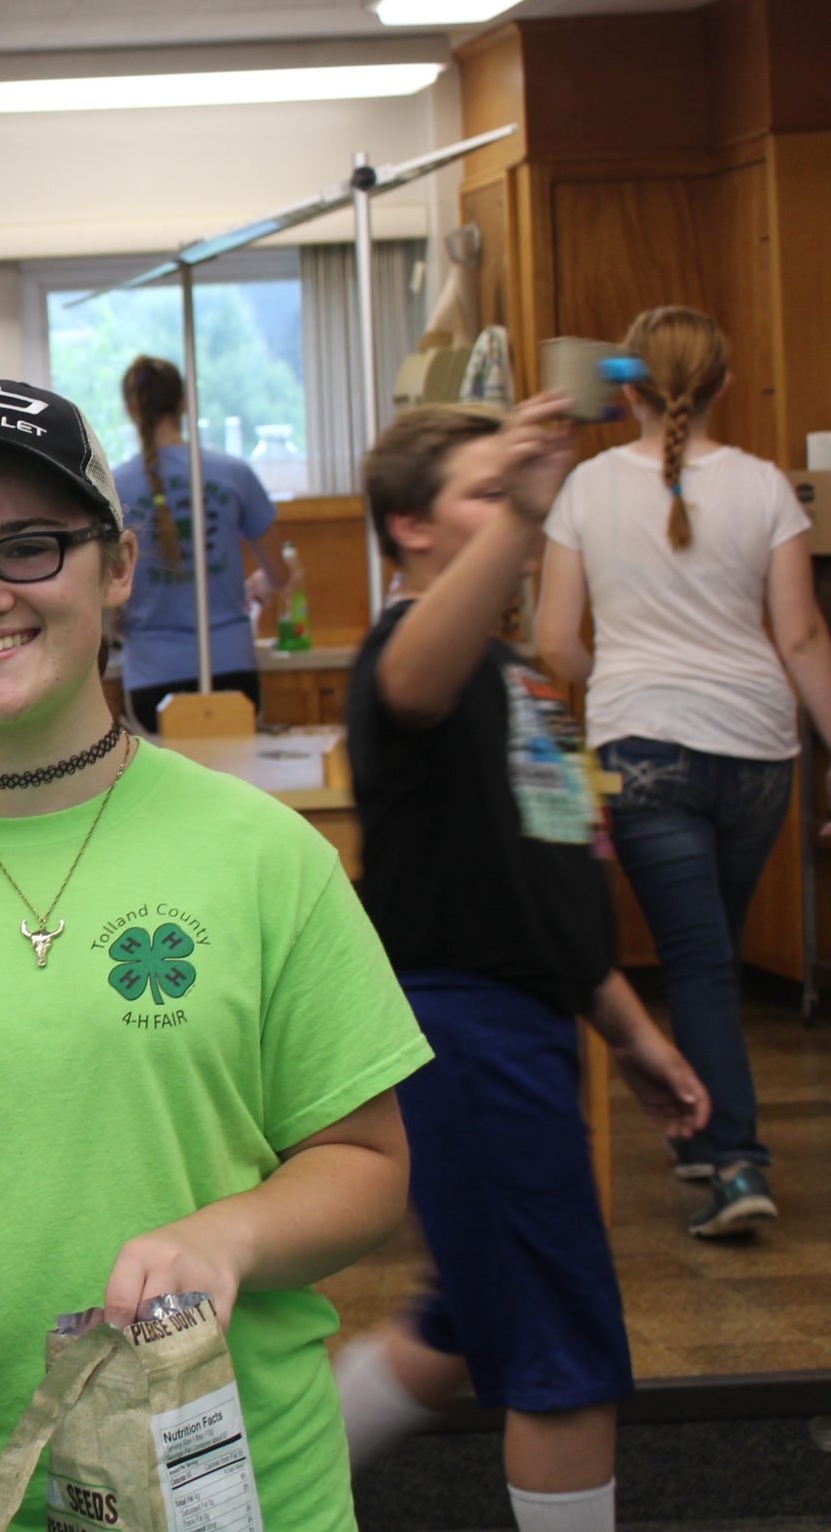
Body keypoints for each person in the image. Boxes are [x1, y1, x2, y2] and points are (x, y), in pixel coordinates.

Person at [0, 378, 431, 1532]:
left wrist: (228, 1235)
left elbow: (366, 1163)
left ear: (115, 566)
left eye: (29, 548)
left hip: (235, 1486)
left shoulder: (264, 857)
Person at [334, 400, 709, 1532]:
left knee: (465, 1324)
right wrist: (528, 508)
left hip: (524, 1020)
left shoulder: (506, 677)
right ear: (408, 528)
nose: (513, 518)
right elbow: (408, 685)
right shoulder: (411, 651)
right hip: (462, 1029)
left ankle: (240, 1492)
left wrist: (629, 1032)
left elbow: (538, 883)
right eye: (482, 497)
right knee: (563, 1345)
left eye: (512, 499)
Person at [534, 305, 831, 1238]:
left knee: (697, 960)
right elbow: (802, 635)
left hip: (645, 748)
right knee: (716, 954)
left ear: (627, 385)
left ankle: (736, 1160)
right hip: (759, 752)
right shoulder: (767, 490)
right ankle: (707, 1137)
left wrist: (617, 681)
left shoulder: (584, 488)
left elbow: (553, 642)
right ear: (724, 385)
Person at [110, 354, 288, 729]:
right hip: (231, 665)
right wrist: (261, 582)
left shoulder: (114, 489)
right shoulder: (234, 474)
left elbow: (106, 595)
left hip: (152, 672)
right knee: (233, 785)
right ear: (184, 403)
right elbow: (280, 573)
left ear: (130, 409)